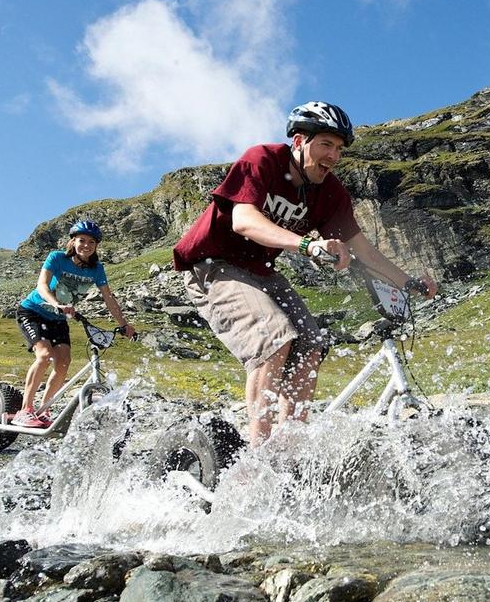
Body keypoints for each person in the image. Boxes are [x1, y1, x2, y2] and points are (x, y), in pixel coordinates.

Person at [173, 101, 437, 447]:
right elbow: (244, 220)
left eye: (339, 149)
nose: (333, 156)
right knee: (274, 338)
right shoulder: (263, 160)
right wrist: (308, 245)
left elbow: (364, 250)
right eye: (326, 144)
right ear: (299, 141)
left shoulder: (331, 194)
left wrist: (409, 283)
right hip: (212, 264)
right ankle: (257, 456)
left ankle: (289, 448)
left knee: (311, 342)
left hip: (260, 270)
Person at [12, 219, 136, 427]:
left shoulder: (96, 269)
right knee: (44, 355)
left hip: (59, 319)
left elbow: (108, 298)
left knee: (63, 363)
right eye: (81, 240)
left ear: (96, 246)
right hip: (33, 311)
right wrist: (56, 304)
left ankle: (43, 410)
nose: (86, 245)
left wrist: (124, 324)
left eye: (91, 242)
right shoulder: (57, 258)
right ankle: (25, 410)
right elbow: (42, 286)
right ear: (73, 241)